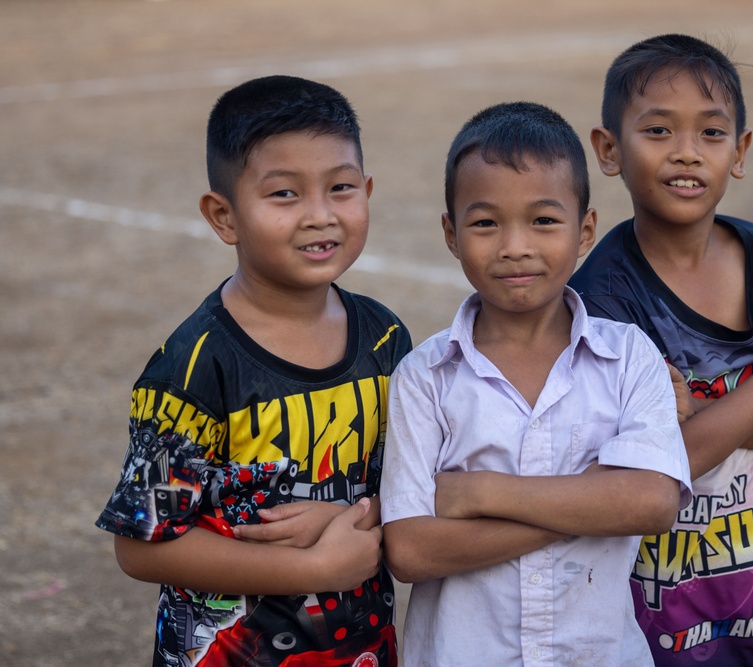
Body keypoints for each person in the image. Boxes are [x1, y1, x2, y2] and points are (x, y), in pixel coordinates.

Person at [95, 75, 411, 667]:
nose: (320, 215)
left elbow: (410, 487)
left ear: (368, 189)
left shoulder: (387, 337)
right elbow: (143, 550)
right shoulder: (195, 366)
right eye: (284, 195)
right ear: (224, 216)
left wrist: (357, 516)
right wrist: (311, 568)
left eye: (341, 187)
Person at [568, 34, 753, 667]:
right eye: (659, 131)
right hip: (664, 618)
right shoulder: (601, 302)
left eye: (712, 134)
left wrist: (700, 413)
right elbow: (671, 461)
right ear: (609, 150)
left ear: (740, 151)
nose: (687, 154)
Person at [379, 101, 692, 666]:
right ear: (450, 233)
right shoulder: (424, 377)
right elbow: (411, 550)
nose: (515, 246)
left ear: (585, 230)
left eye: (544, 220)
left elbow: (650, 503)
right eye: (485, 223)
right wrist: (592, 500)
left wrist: (480, 494)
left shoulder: (628, 357)